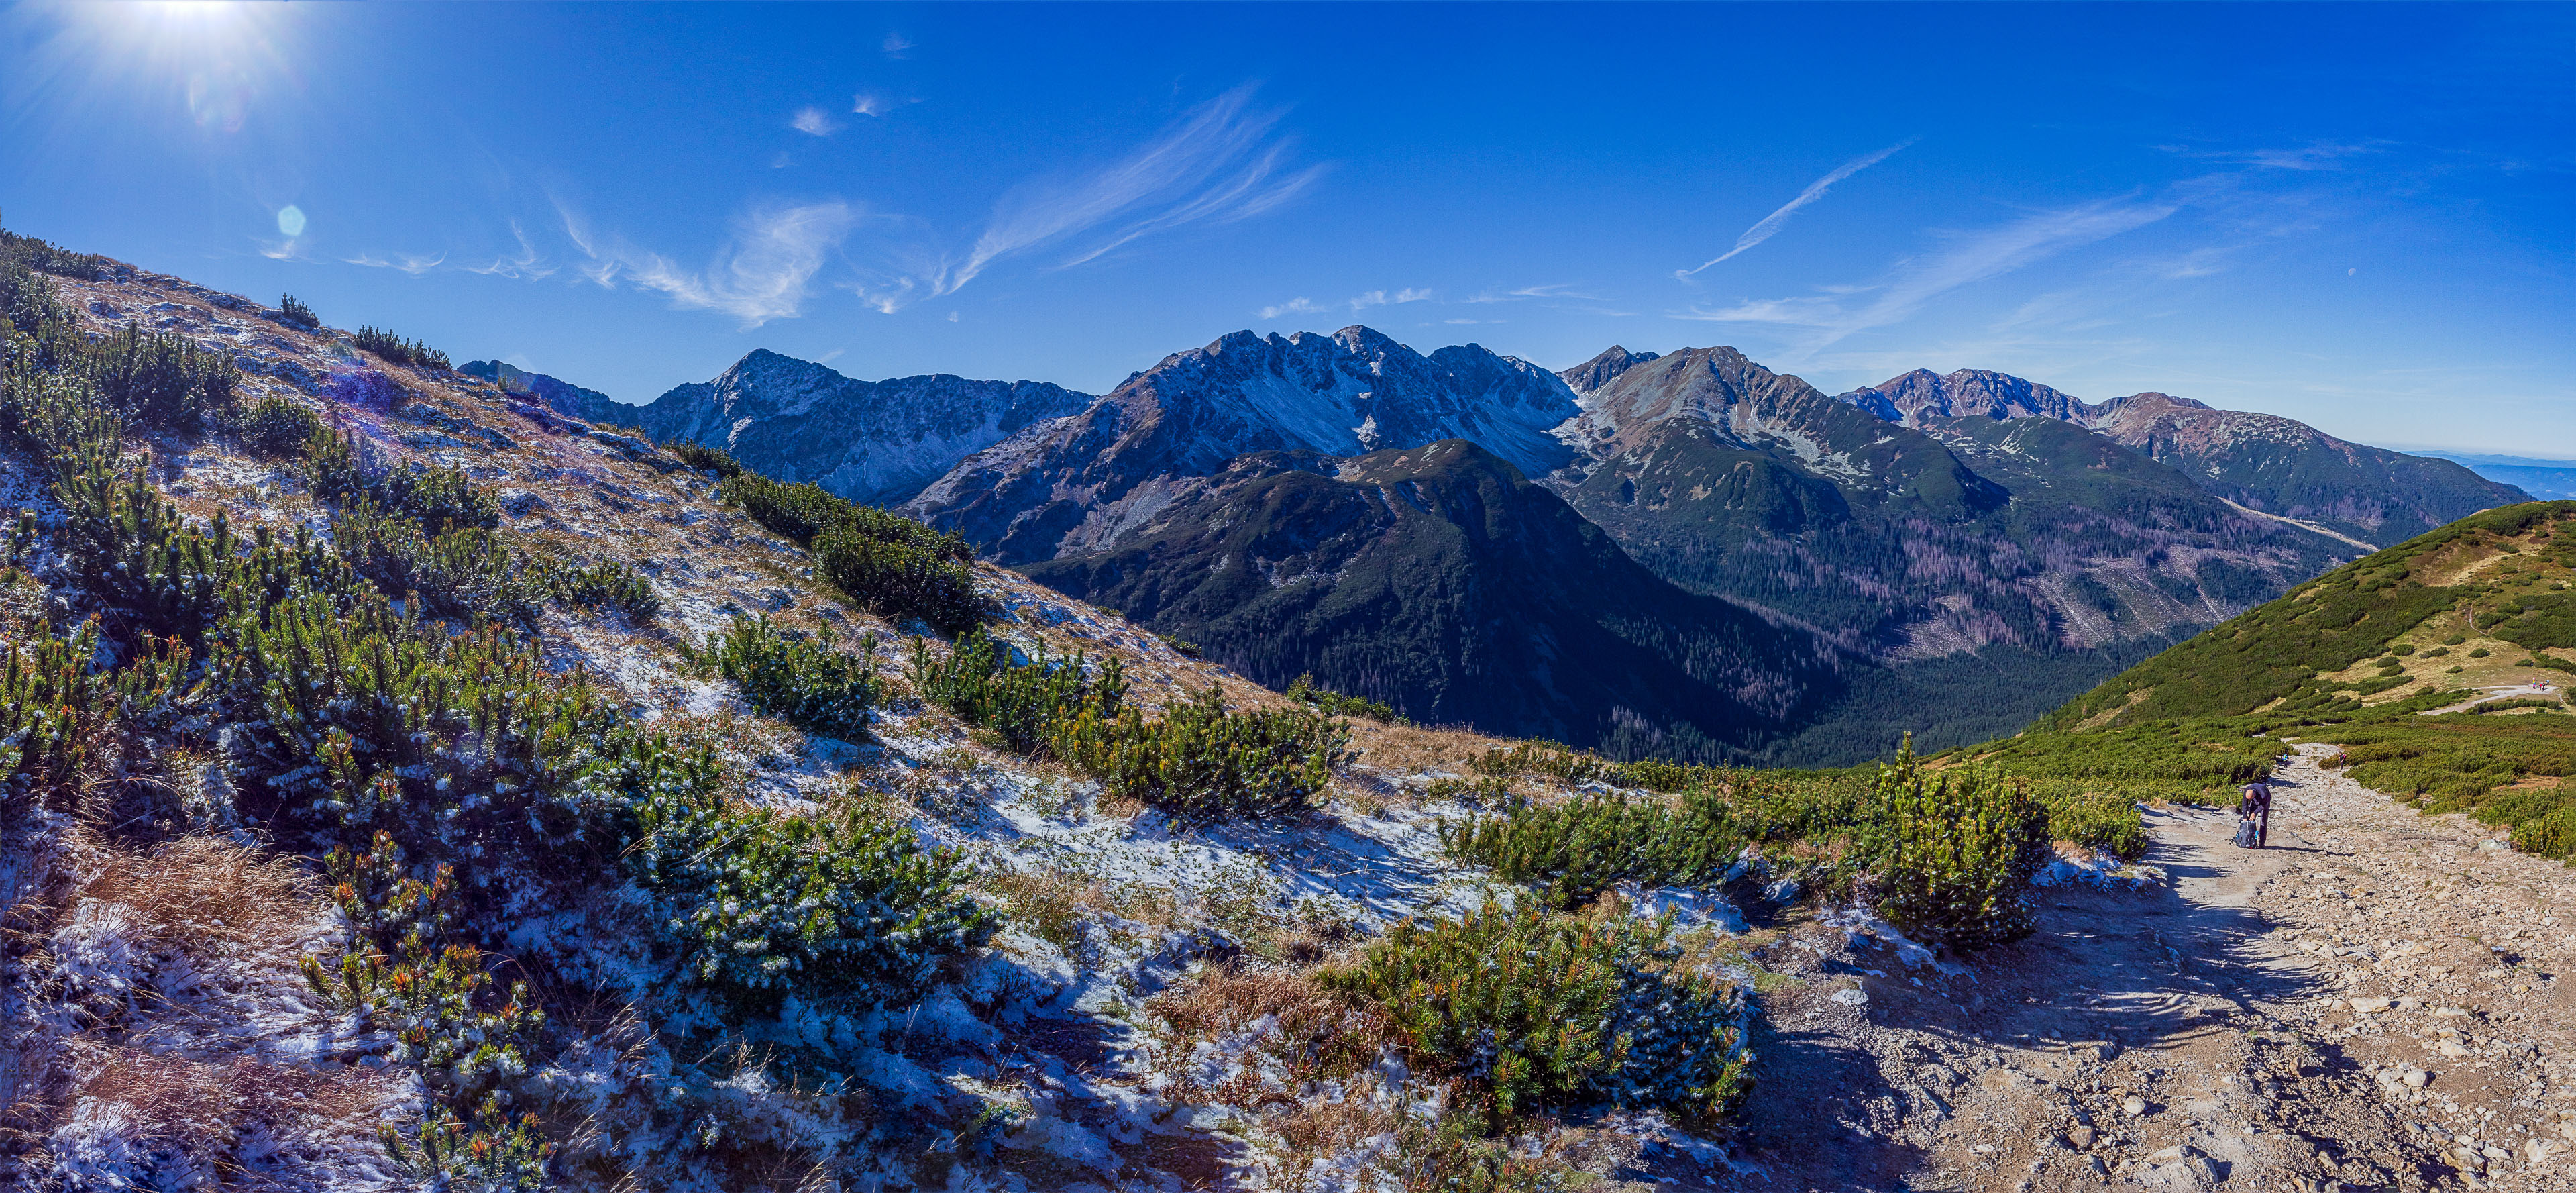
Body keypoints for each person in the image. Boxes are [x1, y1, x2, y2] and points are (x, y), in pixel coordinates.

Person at [2239, 778, 2273, 849]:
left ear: (2254, 795)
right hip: (2254, 802)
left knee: (2263, 823)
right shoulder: (2247, 791)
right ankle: (2250, 842)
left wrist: (2255, 813)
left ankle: (2262, 844)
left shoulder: (2263, 794)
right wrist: (2245, 818)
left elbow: (2263, 806)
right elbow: (2244, 805)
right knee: (2251, 821)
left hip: (2265, 804)